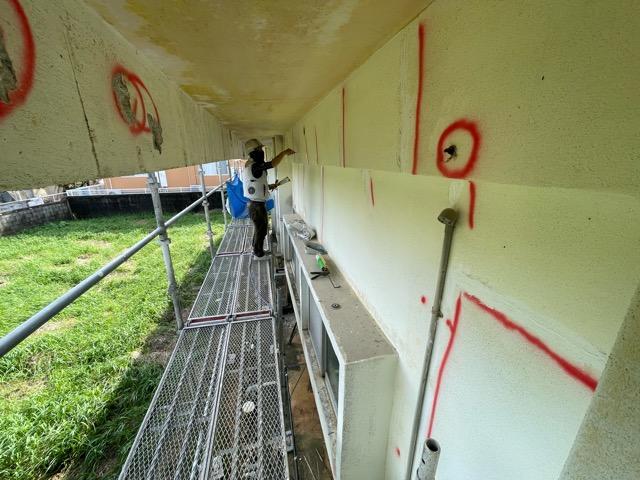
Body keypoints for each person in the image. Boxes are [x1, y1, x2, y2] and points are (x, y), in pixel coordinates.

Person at [242, 139, 295, 260]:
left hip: (255, 204)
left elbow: (256, 183)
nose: (261, 151)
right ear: (253, 152)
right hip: (256, 205)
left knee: (259, 229)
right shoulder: (254, 166)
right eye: (259, 149)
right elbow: (271, 164)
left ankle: (256, 250)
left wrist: (271, 186)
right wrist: (284, 152)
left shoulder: (251, 166)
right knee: (261, 229)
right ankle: (258, 254)